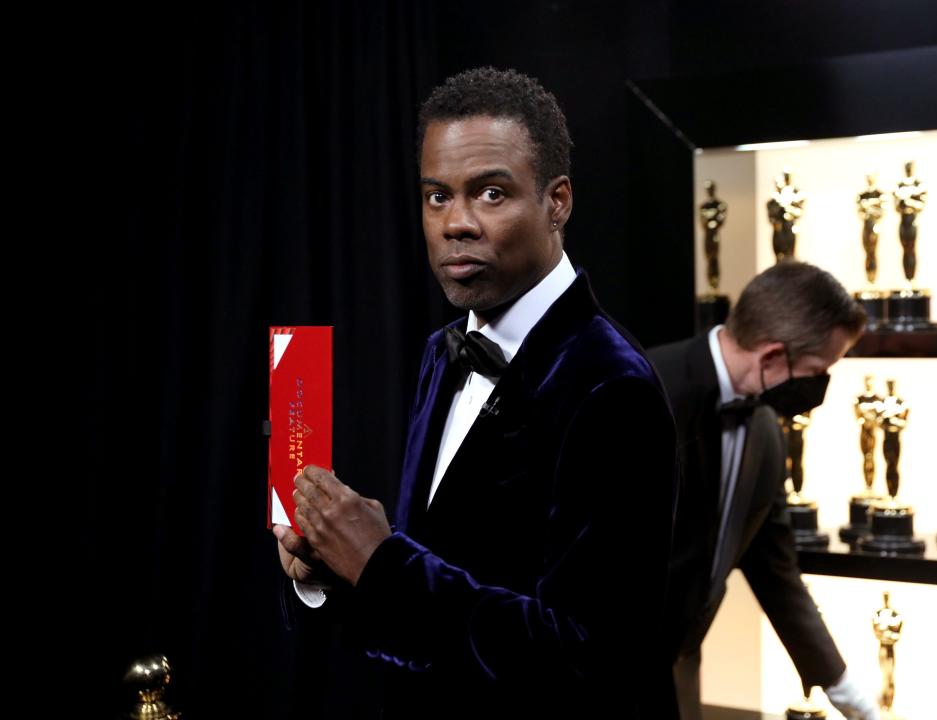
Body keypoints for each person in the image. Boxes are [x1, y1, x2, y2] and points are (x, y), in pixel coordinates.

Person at [273, 67, 680, 719]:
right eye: (437, 197)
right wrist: (336, 574)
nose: (455, 224)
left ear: (558, 202)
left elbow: (593, 659)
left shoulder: (613, 382)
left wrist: (381, 564)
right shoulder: (443, 351)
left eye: (490, 194)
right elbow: (434, 604)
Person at [648, 261, 881, 720]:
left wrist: (844, 688)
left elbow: (774, 565)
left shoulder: (766, 430)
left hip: (680, 674)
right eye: (818, 371)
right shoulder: (640, 388)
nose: (821, 387)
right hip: (594, 679)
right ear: (773, 357)